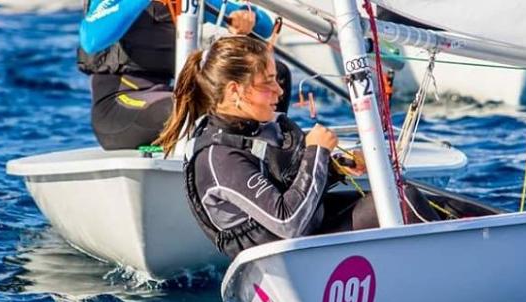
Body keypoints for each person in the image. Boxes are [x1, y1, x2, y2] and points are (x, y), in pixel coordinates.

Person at [155, 36, 439, 259]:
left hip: (310, 233)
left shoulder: (259, 128)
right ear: (234, 91)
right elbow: (289, 222)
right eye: (268, 82)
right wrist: (317, 153)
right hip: (289, 259)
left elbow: (289, 182)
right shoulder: (219, 158)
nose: (279, 91)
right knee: (401, 203)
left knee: (403, 195)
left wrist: (339, 165)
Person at [77, 0, 292, 150]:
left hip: (170, 94)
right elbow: (91, 39)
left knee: (275, 76)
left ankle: (268, 152)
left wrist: (247, 18)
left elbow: (265, 26)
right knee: (185, 107)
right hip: (118, 107)